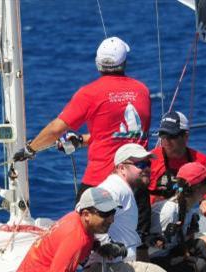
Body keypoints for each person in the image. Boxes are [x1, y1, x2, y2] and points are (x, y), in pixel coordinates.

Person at [13, 36, 151, 197]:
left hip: (102, 183)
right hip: (138, 185)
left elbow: (56, 130)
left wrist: (30, 149)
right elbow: (120, 134)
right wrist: (81, 141)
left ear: (98, 64)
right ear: (124, 63)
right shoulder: (143, 91)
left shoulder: (89, 93)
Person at [80, 144, 171, 272]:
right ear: (121, 168)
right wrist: (105, 244)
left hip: (116, 266)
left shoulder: (124, 189)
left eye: (148, 163)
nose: (147, 167)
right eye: (140, 164)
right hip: (105, 270)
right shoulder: (113, 188)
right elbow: (84, 212)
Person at [149, 111, 206, 217]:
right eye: (163, 135)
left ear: (185, 136)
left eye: (172, 136)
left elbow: (204, 194)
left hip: (184, 215)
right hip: (154, 218)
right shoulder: (150, 160)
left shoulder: (201, 161)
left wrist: (205, 202)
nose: (166, 141)